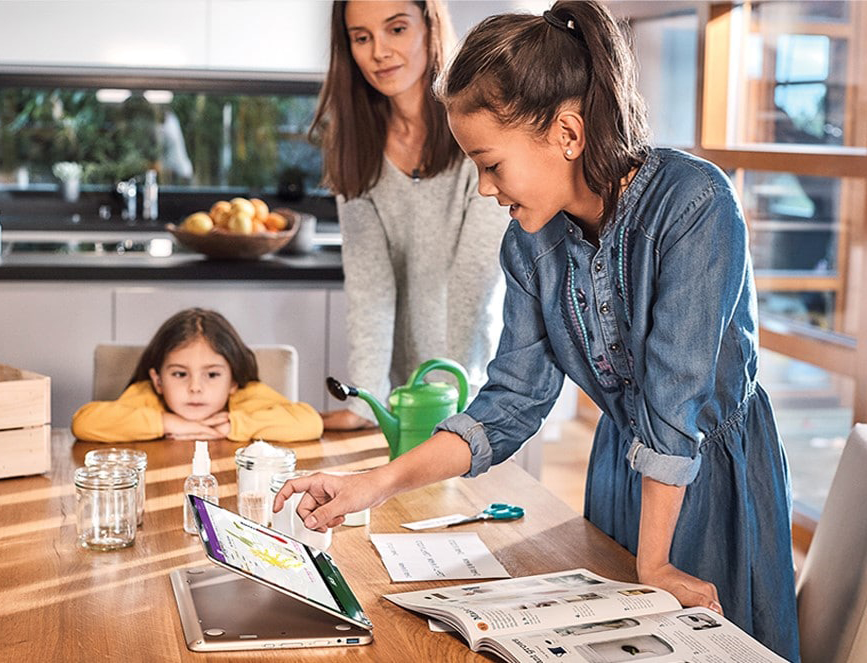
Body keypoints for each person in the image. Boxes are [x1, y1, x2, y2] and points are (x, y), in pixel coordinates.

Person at [275, 2, 799, 659]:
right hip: (619, 470)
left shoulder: (693, 203)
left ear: (568, 133)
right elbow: (510, 403)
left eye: (491, 164)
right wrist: (372, 484)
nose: (485, 187)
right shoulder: (530, 244)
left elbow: (675, 399)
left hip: (712, 477)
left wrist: (656, 561)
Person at [310, 0, 511, 430]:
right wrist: (367, 402)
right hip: (408, 394)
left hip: (480, 389)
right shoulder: (354, 143)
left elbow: (475, 277)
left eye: (396, 29)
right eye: (361, 38)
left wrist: (456, 397)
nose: (379, 51)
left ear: (429, 25)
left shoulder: (481, 123)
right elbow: (370, 286)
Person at [72, 308, 323, 443]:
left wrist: (231, 426)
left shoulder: (248, 397)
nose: (195, 387)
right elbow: (84, 423)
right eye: (180, 374)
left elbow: (310, 422)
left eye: (212, 375)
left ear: (233, 381)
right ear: (158, 381)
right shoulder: (147, 396)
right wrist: (169, 423)